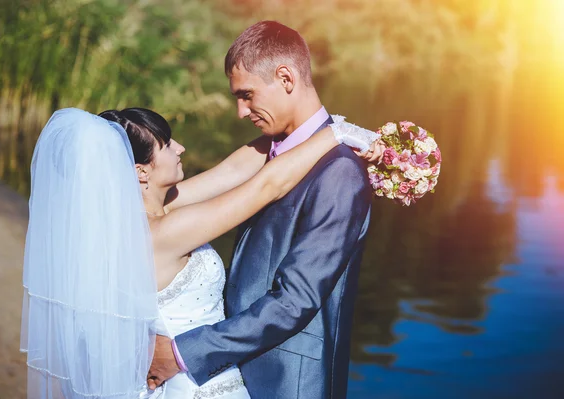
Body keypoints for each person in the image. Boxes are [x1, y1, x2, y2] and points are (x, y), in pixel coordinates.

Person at [20, 106, 381, 398]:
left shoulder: (145, 215)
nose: (180, 148)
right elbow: (265, 187)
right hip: (197, 386)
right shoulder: (167, 231)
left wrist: (307, 120)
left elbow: (235, 168)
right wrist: (337, 134)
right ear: (140, 172)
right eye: (166, 145)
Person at [148, 21, 383, 399]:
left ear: (286, 77)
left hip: (287, 382)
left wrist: (182, 353)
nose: (241, 111)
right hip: (229, 371)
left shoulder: (339, 172)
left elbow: (295, 300)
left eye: (247, 95)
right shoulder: (269, 151)